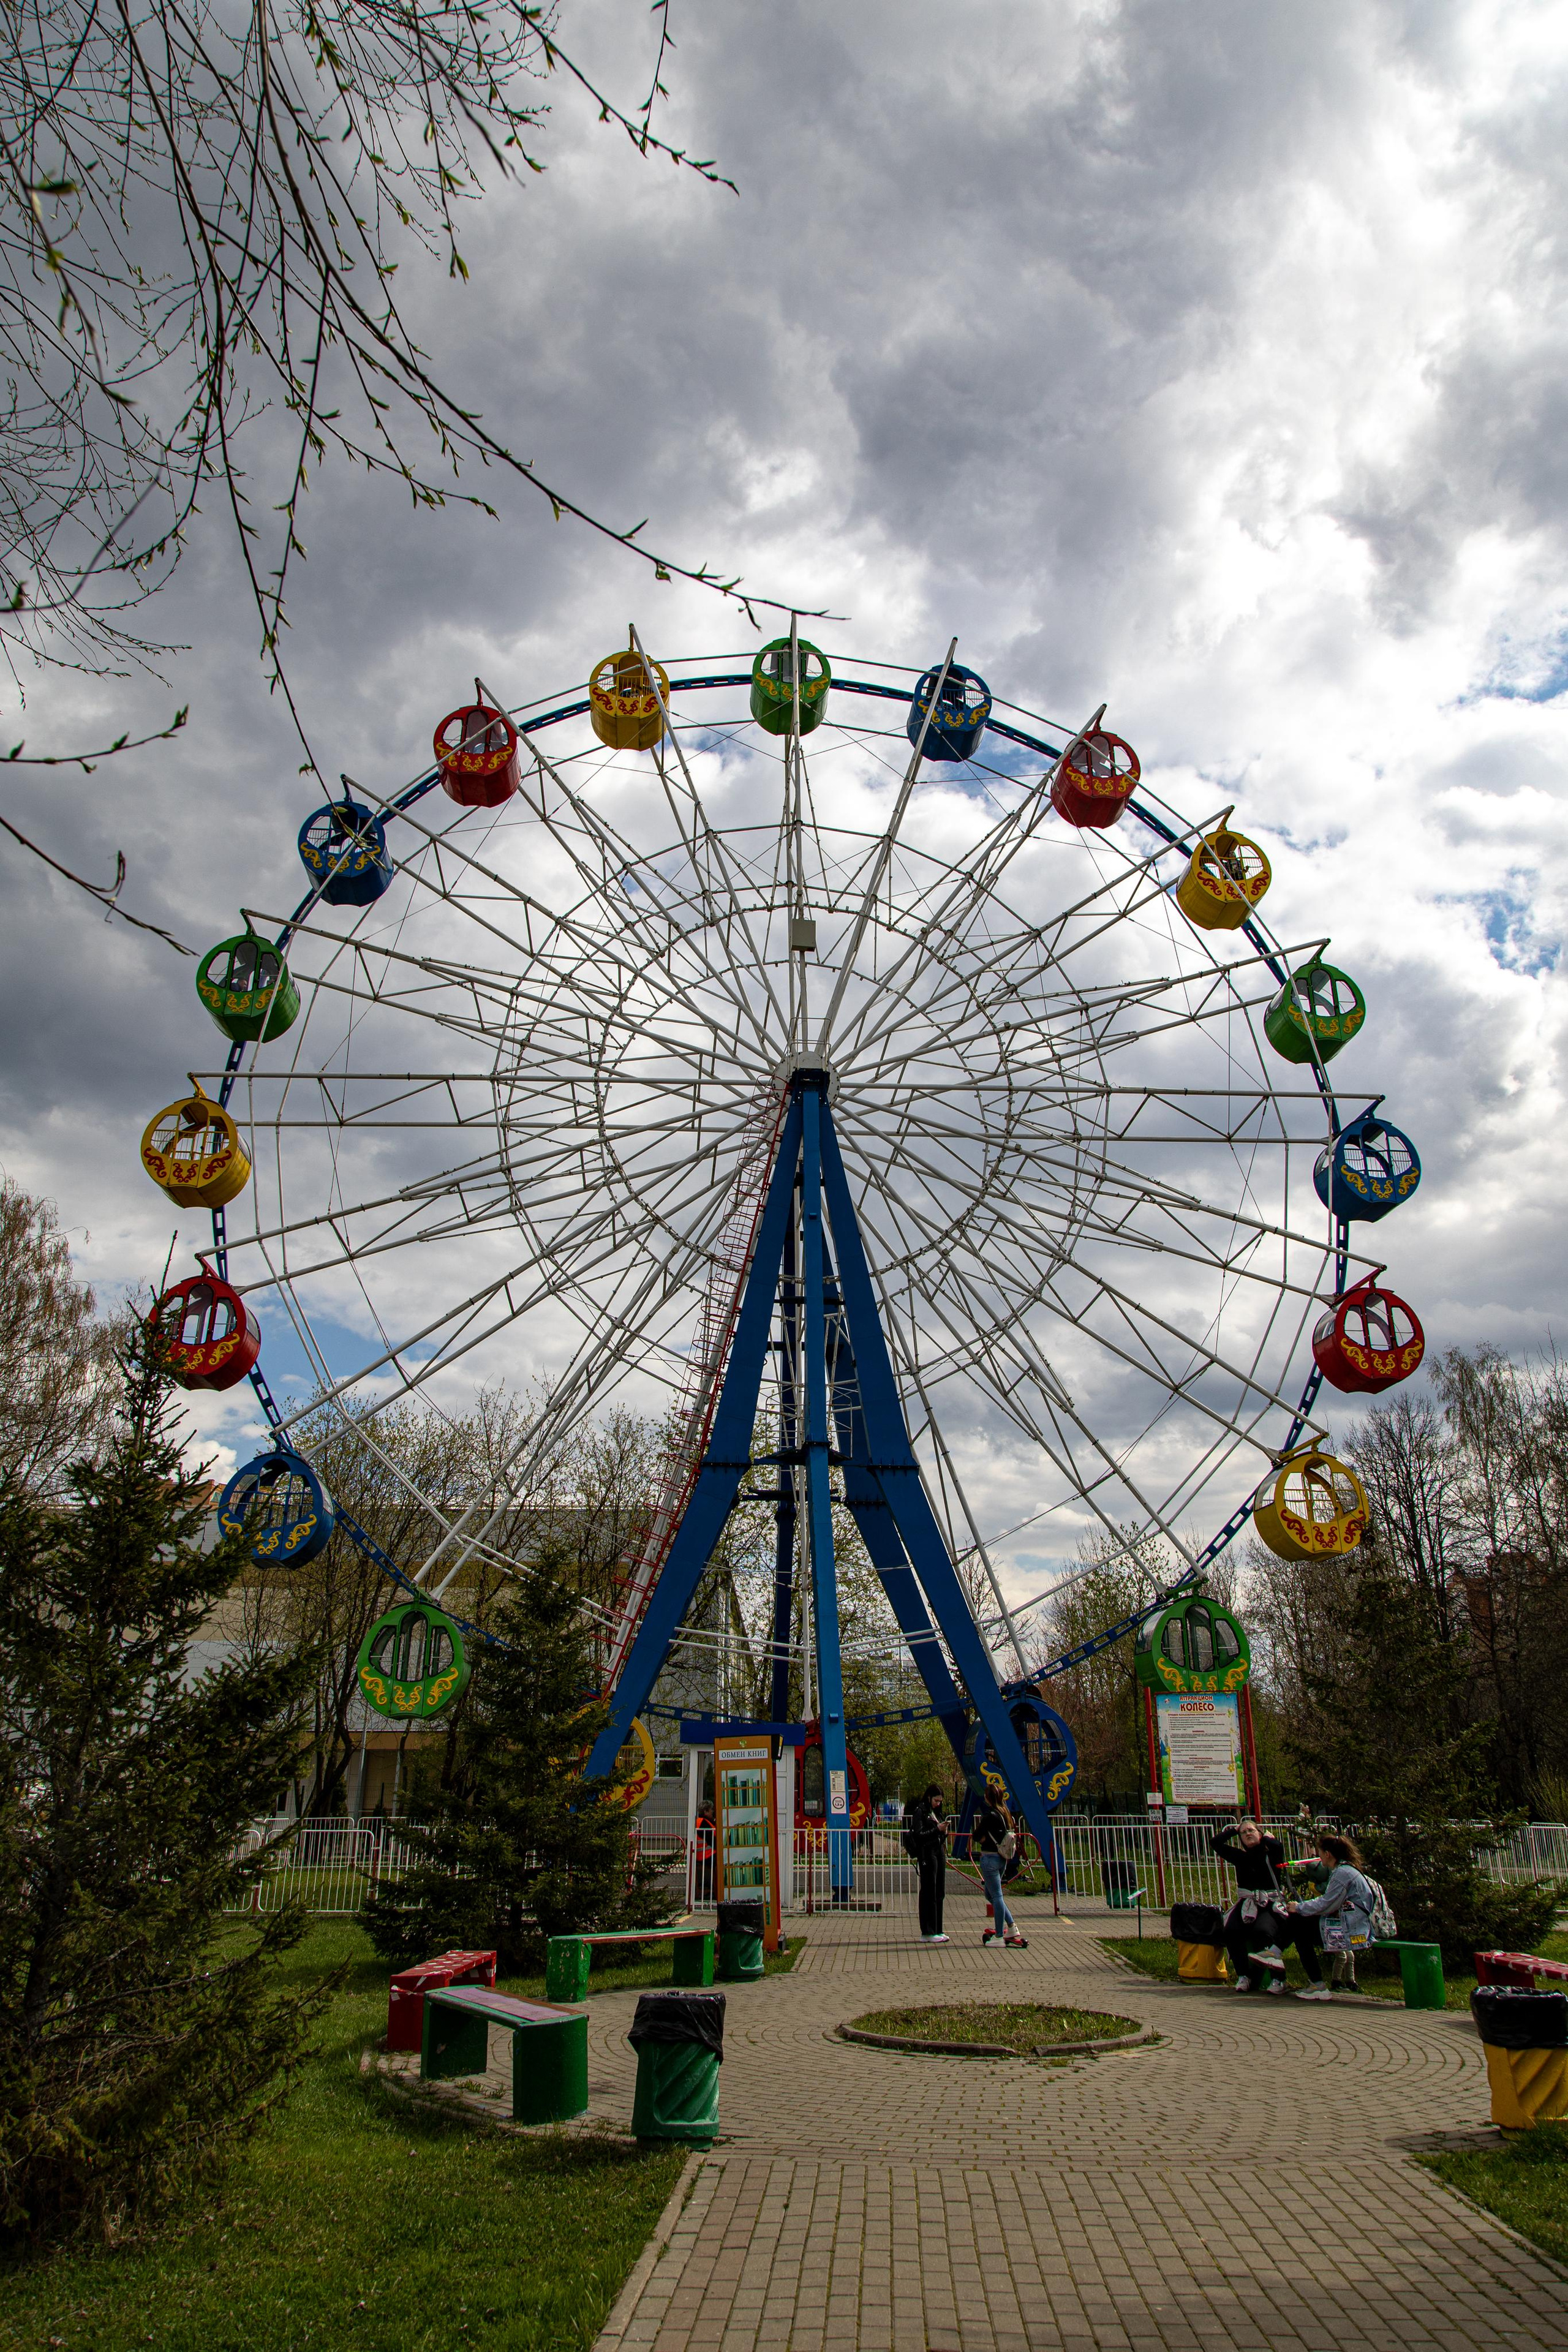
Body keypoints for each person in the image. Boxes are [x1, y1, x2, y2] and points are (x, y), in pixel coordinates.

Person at [1284, 1834, 1377, 2000]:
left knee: (1299, 1928)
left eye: (1319, 1852)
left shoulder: (1342, 1872)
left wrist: (1299, 1907)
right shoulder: (1347, 1869)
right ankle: (1278, 1954)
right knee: (1299, 1926)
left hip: (1354, 1931)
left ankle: (1315, 1982)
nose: (1318, 1856)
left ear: (1327, 1854)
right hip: (1353, 1924)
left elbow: (1327, 1903)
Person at [1209, 1817, 1291, 1993]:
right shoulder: (1240, 1856)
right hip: (1247, 1903)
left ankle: (1279, 1979)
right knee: (1231, 1930)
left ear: (1260, 1834)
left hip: (1270, 1903)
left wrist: (1267, 1838)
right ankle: (1244, 1975)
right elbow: (1215, 1843)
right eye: (1243, 1832)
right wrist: (1234, 1830)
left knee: (1263, 1931)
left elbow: (1278, 1847)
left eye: (1251, 1830)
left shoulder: (1271, 1854)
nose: (1247, 1834)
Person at [972, 1792, 1028, 1948]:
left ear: (988, 1798)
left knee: (996, 1896)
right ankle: (1011, 1926)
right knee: (990, 1894)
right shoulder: (1005, 1813)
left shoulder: (990, 1816)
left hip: (990, 1858)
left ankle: (998, 1936)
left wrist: (982, 1838)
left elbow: (976, 1835)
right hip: (1002, 1857)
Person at [903, 1782, 950, 1944]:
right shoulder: (920, 1812)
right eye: (936, 1800)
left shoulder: (936, 1812)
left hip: (939, 1851)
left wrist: (944, 1832)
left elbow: (939, 1831)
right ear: (929, 1797)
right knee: (929, 1890)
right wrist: (937, 1830)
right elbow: (919, 1834)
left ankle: (938, 1929)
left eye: (940, 1801)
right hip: (927, 1853)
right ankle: (928, 1931)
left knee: (939, 1891)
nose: (938, 1804)